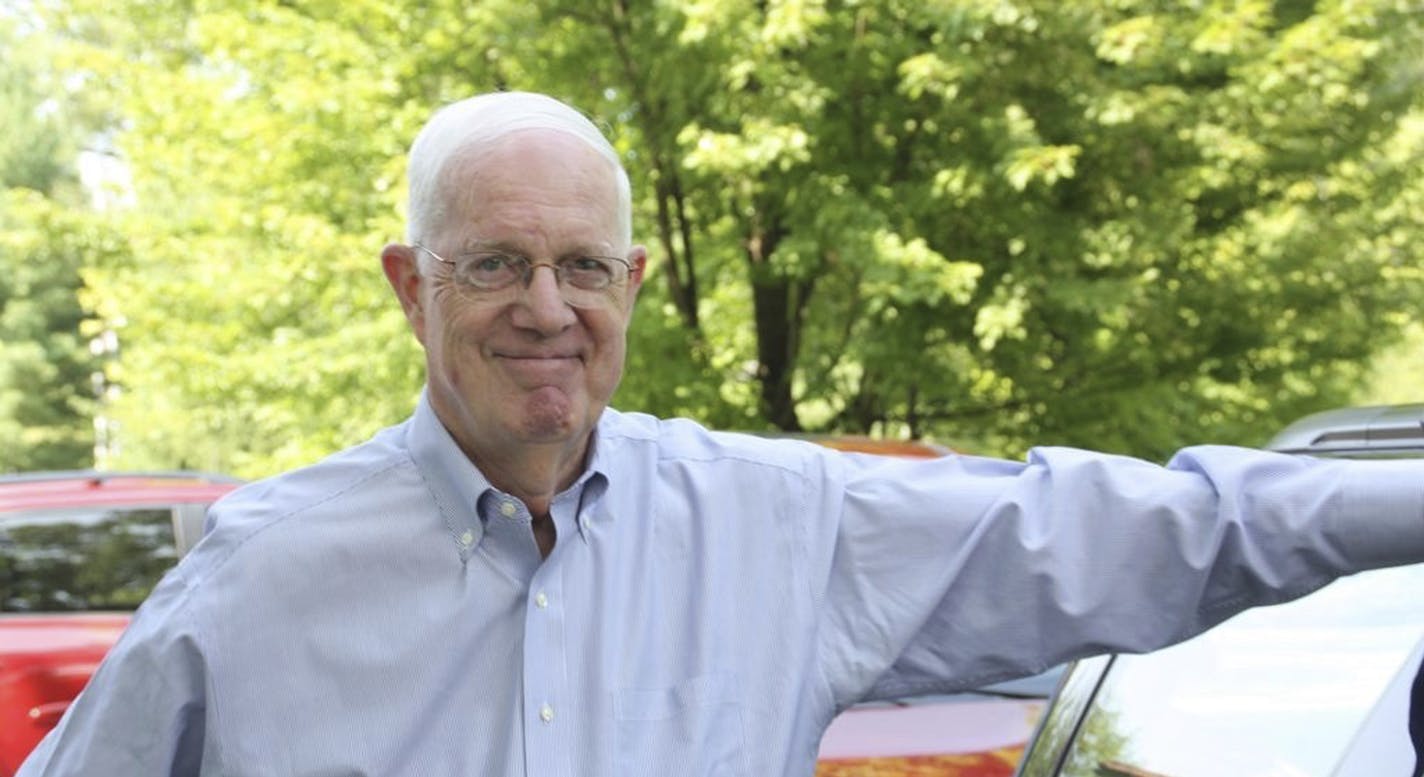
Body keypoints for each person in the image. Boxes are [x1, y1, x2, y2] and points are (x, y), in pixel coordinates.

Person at [19, 91, 1424, 777]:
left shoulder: (781, 525)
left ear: (631, 286)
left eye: (582, 266)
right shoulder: (265, 573)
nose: (545, 309)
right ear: (410, 284)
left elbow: (1148, 529)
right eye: (495, 264)